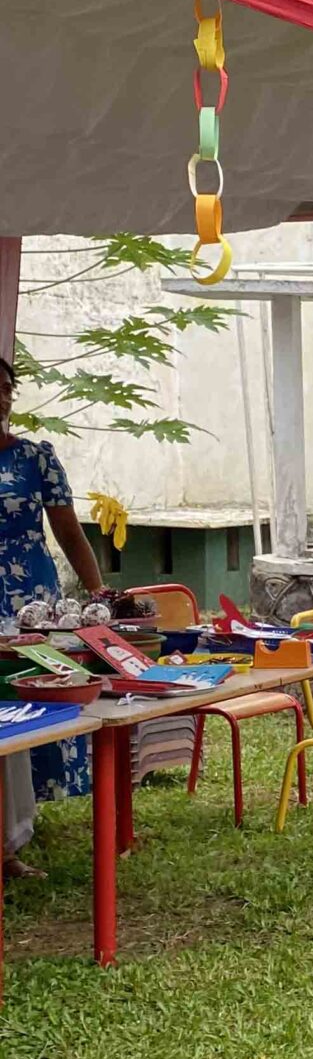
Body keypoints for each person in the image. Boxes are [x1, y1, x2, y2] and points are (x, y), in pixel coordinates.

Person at [0, 353, 105, 876]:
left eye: (5, 389)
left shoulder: (35, 458)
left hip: (30, 600)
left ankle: (14, 834)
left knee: (28, 703)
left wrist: (98, 592)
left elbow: (68, 532)